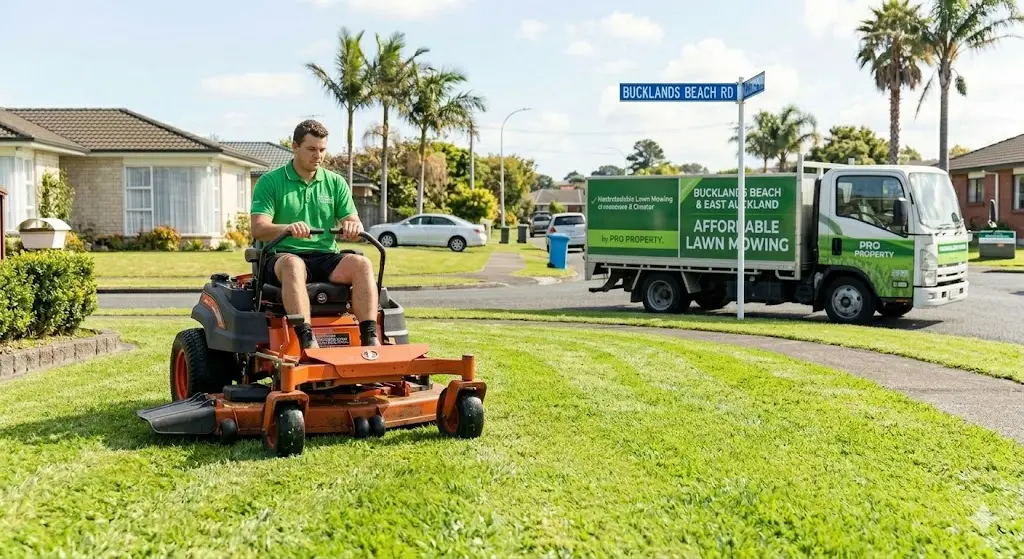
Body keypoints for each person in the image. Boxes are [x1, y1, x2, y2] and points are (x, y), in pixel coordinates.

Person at [250, 119, 379, 348]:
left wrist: (352, 226)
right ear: (295, 146)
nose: (317, 155)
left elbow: (352, 218)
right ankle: (307, 340)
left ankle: (370, 338)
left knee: (362, 264)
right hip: (282, 255)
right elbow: (259, 228)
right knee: (294, 265)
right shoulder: (270, 182)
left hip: (326, 256)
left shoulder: (335, 182)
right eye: (311, 149)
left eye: (322, 150)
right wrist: (288, 228)